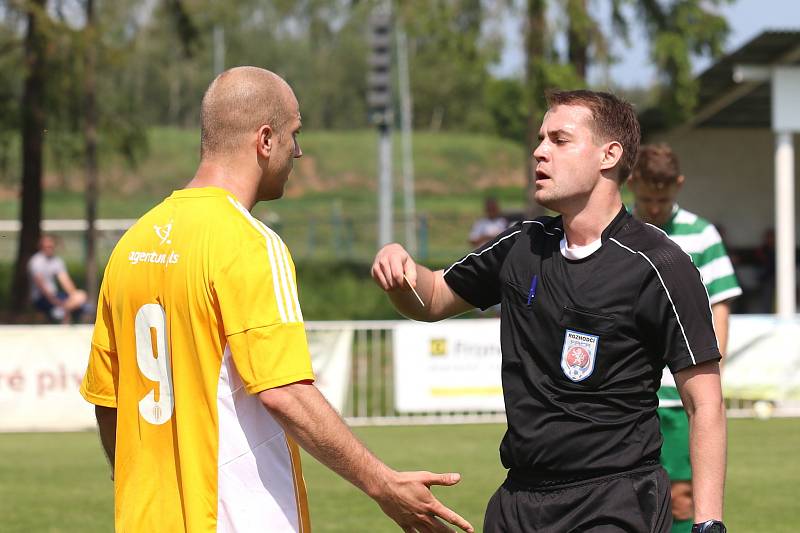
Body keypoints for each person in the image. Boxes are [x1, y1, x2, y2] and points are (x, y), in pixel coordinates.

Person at [79, 67, 473, 533]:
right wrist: (383, 483)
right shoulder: (248, 242)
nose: (298, 151)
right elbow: (284, 391)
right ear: (265, 140)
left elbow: (109, 402)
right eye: (294, 135)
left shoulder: (130, 244)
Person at [372, 90, 727, 533]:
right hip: (518, 502)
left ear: (609, 155)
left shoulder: (661, 264)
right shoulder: (522, 243)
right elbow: (433, 297)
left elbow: (705, 401)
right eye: (541, 139)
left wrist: (709, 522)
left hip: (615, 501)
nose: (539, 151)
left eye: (559, 140)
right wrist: (399, 270)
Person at [628, 144, 741, 533]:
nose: (654, 207)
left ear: (678, 185)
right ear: (631, 183)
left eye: (662, 198)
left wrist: (710, 372)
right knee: (630, 501)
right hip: (626, 397)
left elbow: (720, 307)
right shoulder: (617, 232)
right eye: (646, 198)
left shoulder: (702, 235)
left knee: (680, 498)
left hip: (679, 398)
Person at [28, 234, 88, 323]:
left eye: (51, 246)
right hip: (41, 297)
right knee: (74, 306)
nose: (49, 248)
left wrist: (73, 295)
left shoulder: (57, 261)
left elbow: (65, 281)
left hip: (55, 295)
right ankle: (63, 312)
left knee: (81, 295)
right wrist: (55, 301)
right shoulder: (36, 261)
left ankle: (62, 310)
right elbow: (41, 286)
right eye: (47, 246)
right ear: (41, 247)